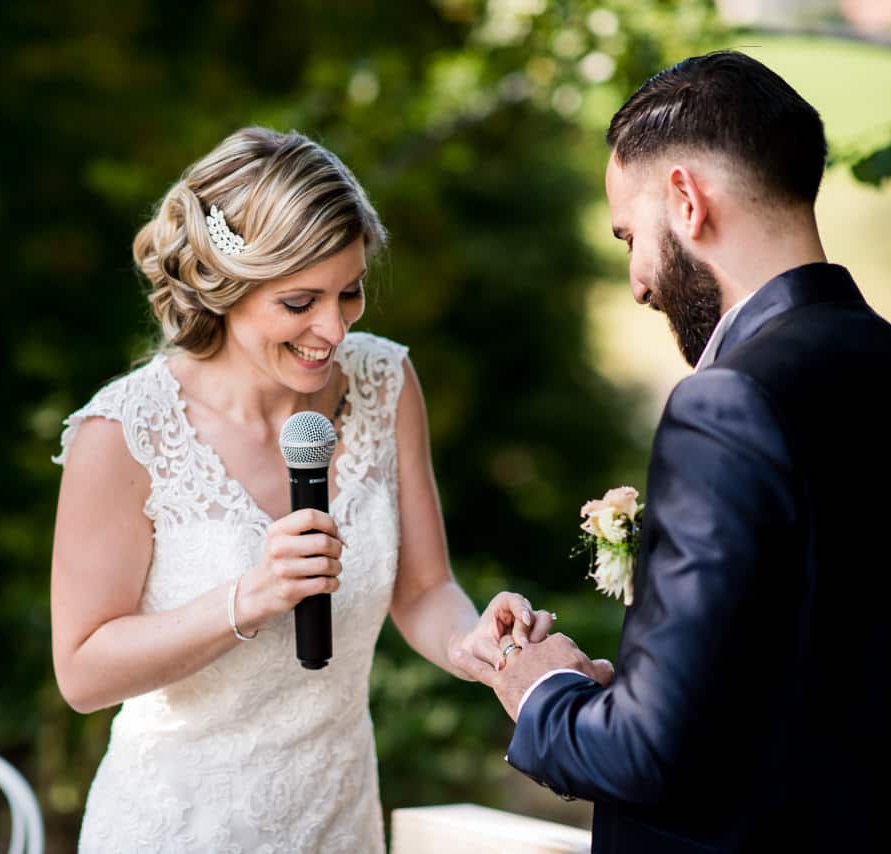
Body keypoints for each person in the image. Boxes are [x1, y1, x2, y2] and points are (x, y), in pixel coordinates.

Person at [454, 51, 891, 852]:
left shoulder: (726, 404)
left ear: (685, 199)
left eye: (630, 235)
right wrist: (639, 690)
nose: (637, 280)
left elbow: (650, 756)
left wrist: (545, 691)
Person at [49, 127, 554, 852]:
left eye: (348, 293)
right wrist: (244, 599)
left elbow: (422, 588)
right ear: (225, 287)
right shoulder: (123, 433)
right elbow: (83, 672)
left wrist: (472, 642)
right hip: (178, 827)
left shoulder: (384, 382)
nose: (332, 328)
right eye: (298, 303)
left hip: (337, 817)